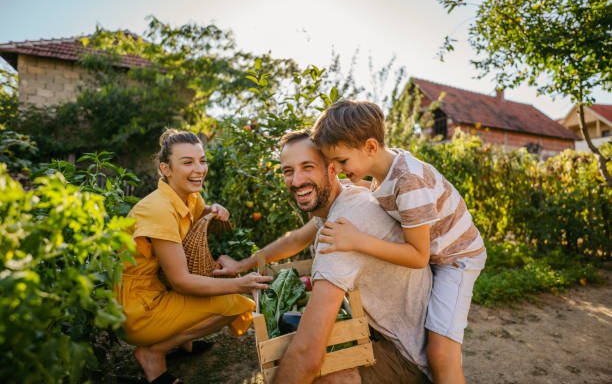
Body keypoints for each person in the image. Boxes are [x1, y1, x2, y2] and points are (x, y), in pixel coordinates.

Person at [215, 130, 433, 383]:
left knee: (307, 369)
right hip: (395, 333)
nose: (296, 180)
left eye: (308, 167)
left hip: (404, 356)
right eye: (288, 171)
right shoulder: (340, 199)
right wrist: (241, 265)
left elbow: (307, 355)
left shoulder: (340, 230)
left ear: (332, 168)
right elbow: (295, 239)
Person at [310, 100, 487, 384]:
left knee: (441, 352)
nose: (340, 170)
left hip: (457, 258)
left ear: (370, 147)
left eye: (342, 161)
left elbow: (418, 256)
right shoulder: (383, 174)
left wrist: (357, 240)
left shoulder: (408, 180)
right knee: (433, 338)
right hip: (437, 254)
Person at [116, 129, 272, 384]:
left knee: (213, 292)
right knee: (236, 303)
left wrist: (213, 209)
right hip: (138, 309)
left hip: (157, 289)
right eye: (187, 162)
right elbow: (181, 281)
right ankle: (153, 353)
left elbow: (198, 213)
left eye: (202, 160)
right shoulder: (157, 210)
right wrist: (239, 284)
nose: (199, 169)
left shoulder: (188, 196)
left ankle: (184, 342)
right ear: (166, 169)